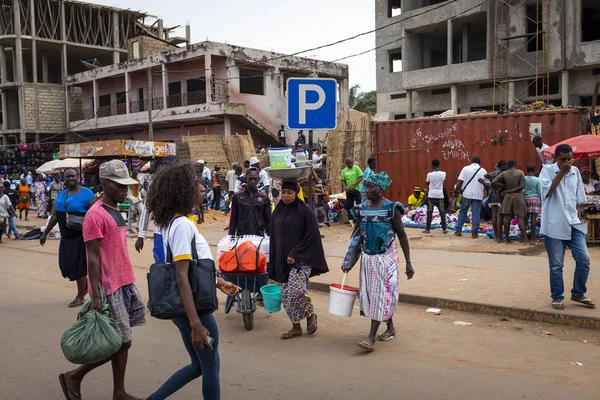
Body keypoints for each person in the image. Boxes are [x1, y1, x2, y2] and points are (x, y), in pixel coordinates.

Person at [145, 162, 241, 400]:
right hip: (194, 308)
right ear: (181, 191)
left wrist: (219, 281)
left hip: (189, 306)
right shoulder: (182, 225)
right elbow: (181, 275)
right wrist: (196, 323)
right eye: (195, 183)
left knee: (199, 365)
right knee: (210, 367)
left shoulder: (177, 222)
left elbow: (195, 266)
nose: (201, 187)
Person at [58, 160, 145, 400]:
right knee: (120, 342)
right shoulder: (94, 215)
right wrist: (95, 294)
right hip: (108, 287)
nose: (124, 190)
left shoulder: (116, 210)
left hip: (123, 281)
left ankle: (119, 392)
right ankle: (74, 376)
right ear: (104, 184)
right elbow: (92, 258)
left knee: (122, 340)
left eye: (126, 185)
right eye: (118, 185)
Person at [342, 172, 413, 353]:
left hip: (386, 257)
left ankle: (371, 337)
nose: (367, 190)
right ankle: (390, 327)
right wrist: (349, 259)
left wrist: (408, 263)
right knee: (376, 295)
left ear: (381, 190)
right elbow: (356, 236)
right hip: (368, 258)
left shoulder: (392, 209)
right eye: (366, 186)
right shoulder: (361, 209)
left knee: (379, 294)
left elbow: (403, 236)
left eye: (371, 187)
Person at [269, 181, 329, 339]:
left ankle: (310, 314)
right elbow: (274, 238)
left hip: (301, 260)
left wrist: (295, 254)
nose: (285, 196)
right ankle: (296, 327)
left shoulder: (305, 211)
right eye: (283, 192)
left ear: (296, 193)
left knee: (296, 292)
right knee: (286, 296)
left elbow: (312, 237)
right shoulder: (277, 211)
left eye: (289, 193)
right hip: (282, 261)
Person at [540, 144, 594, 310]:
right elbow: (547, 192)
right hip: (554, 224)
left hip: (573, 223)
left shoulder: (575, 172)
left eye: (569, 159)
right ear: (555, 158)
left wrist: (582, 215)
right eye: (562, 159)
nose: (566, 162)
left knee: (584, 259)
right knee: (556, 265)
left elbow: (579, 198)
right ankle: (557, 297)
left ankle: (578, 293)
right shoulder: (547, 171)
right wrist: (562, 172)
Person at [40, 167, 96, 307]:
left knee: (79, 267)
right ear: (64, 178)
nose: (70, 178)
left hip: (81, 238)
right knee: (65, 264)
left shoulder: (87, 193)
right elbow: (55, 216)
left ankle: (80, 296)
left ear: (78, 177)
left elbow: (96, 213)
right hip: (66, 238)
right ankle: (85, 285)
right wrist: (45, 233)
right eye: (67, 176)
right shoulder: (62, 194)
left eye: (73, 176)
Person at [136, 155, 180, 263]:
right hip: (160, 232)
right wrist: (141, 235)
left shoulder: (182, 186)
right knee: (162, 264)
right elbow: (147, 210)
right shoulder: (154, 186)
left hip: (179, 232)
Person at [229, 167, 271, 237]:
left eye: (255, 179)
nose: (252, 181)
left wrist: (271, 238)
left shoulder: (264, 198)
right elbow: (233, 219)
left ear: (259, 180)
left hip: (259, 237)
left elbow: (269, 220)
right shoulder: (237, 197)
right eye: (250, 178)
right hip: (242, 236)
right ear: (245, 179)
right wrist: (230, 237)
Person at [492, 160, 527, 243]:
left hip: (507, 196)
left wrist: (504, 187)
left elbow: (493, 182)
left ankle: (507, 239)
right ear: (515, 165)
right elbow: (522, 186)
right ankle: (524, 238)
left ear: (507, 166)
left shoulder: (504, 173)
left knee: (506, 217)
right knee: (520, 218)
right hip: (518, 196)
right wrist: (512, 190)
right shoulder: (520, 173)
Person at [454, 156, 487, 238]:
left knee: (463, 212)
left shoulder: (465, 169)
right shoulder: (483, 171)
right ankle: (474, 232)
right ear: (479, 162)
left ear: (471, 161)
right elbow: (487, 184)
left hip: (466, 194)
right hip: (478, 195)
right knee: (476, 213)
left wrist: (456, 192)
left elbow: (460, 182)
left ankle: (458, 230)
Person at [480, 160, 508, 242]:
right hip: (499, 195)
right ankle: (499, 237)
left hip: (491, 195)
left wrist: (488, 186)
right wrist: (503, 186)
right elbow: (498, 183)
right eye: (505, 165)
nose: (506, 167)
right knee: (499, 216)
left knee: (494, 216)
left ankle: (496, 236)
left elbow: (480, 179)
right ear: (502, 166)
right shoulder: (502, 174)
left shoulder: (491, 173)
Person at [423, 159, 447, 234]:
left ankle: (428, 229)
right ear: (439, 165)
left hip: (431, 195)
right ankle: (444, 229)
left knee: (429, 212)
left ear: (432, 166)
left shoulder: (429, 174)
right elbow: (443, 181)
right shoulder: (443, 174)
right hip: (440, 195)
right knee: (442, 212)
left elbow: (427, 183)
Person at [524, 163, 542, 245]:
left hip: (525, 199)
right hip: (535, 199)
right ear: (534, 171)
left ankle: (523, 236)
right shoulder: (537, 180)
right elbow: (539, 192)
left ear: (526, 170)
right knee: (533, 219)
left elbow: (522, 190)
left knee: (524, 219)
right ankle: (532, 237)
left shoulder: (524, 179)